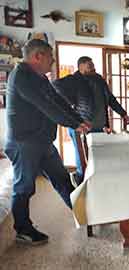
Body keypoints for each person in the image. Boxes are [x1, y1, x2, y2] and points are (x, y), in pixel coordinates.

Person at [4, 39, 91, 245]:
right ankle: (23, 230)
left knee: (61, 178)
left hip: (42, 141)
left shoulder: (41, 78)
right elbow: (46, 107)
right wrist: (73, 124)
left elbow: (58, 100)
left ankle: (84, 212)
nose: (53, 62)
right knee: (24, 187)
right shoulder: (21, 77)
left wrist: (78, 119)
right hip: (24, 143)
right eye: (50, 57)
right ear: (38, 56)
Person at [53, 56, 129, 185]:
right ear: (80, 67)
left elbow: (110, 99)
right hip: (82, 126)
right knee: (83, 160)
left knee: (98, 159)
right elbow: (55, 85)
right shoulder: (75, 79)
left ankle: (95, 183)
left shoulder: (99, 80)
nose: (93, 68)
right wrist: (70, 101)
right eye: (90, 66)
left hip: (100, 127)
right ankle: (80, 181)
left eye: (93, 66)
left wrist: (123, 113)